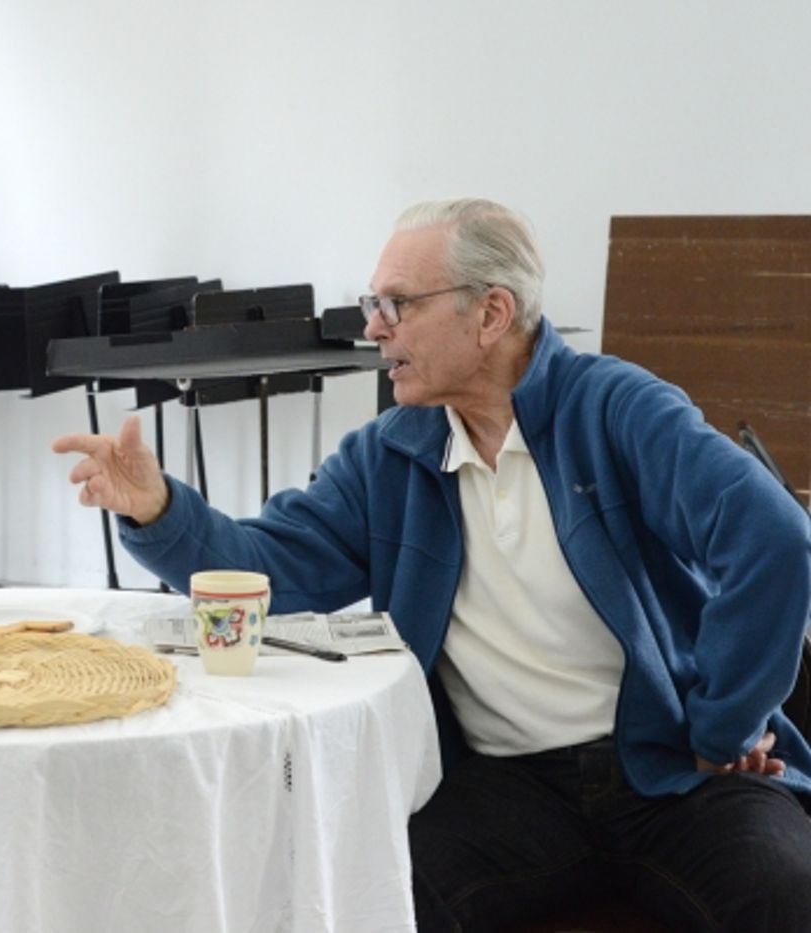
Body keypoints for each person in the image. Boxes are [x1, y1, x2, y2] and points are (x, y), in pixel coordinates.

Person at [52, 198, 811, 931]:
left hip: (672, 772)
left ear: (491, 315)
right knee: (368, 895)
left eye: (398, 303)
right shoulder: (389, 453)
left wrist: (720, 726)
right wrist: (156, 508)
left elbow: (775, 540)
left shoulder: (615, 409)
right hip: (511, 789)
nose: (374, 327)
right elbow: (266, 566)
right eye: (372, 303)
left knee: (786, 891)